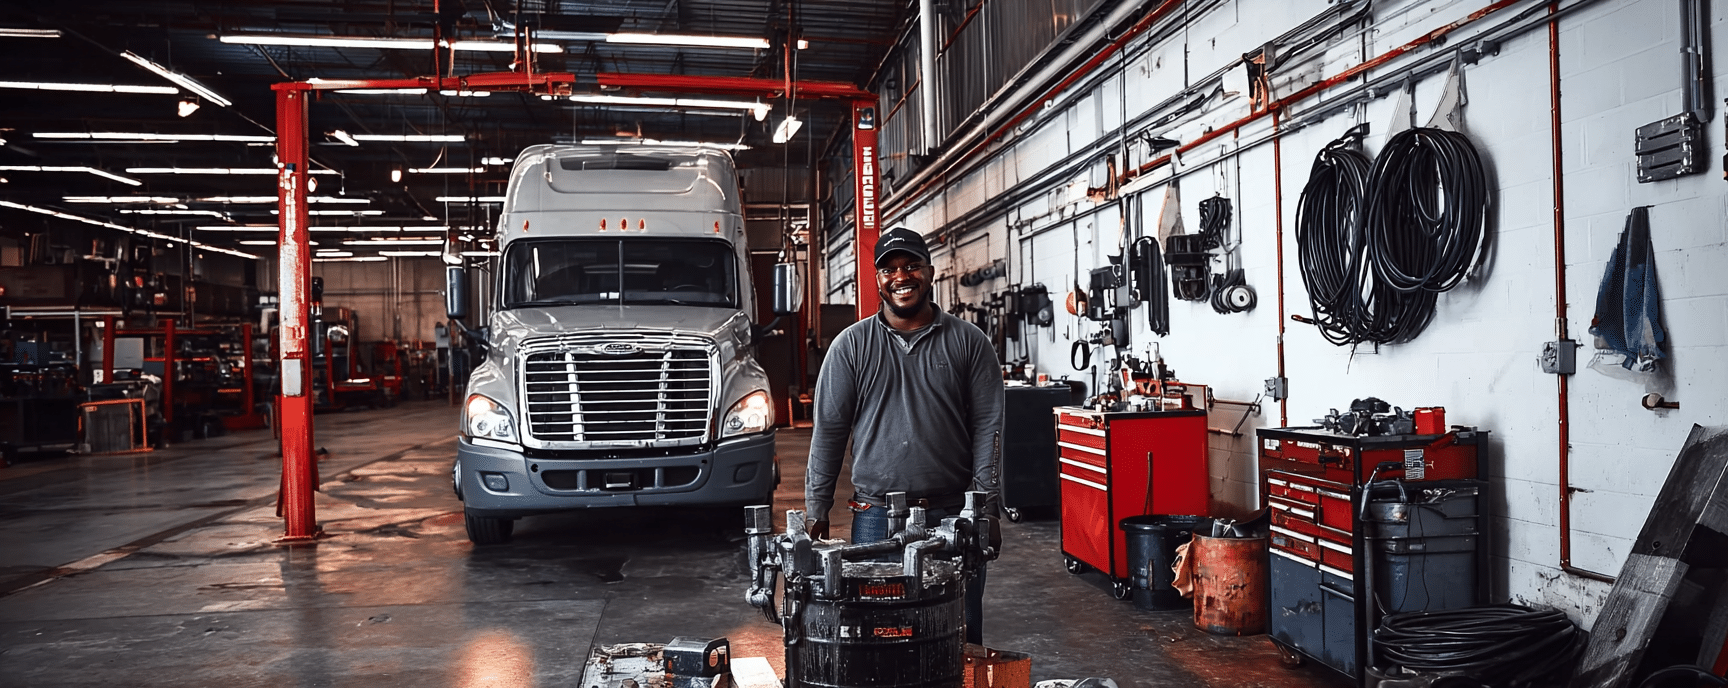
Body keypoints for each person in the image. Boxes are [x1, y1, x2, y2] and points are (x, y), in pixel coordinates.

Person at [803, 226, 1005, 645]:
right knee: (877, 636)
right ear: (877, 279)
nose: (901, 277)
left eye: (911, 265)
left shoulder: (969, 343)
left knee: (957, 635)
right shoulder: (851, 347)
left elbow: (990, 426)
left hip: (953, 516)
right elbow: (829, 431)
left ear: (930, 272)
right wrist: (816, 508)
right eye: (889, 269)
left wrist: (985, 507)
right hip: (875, 518)